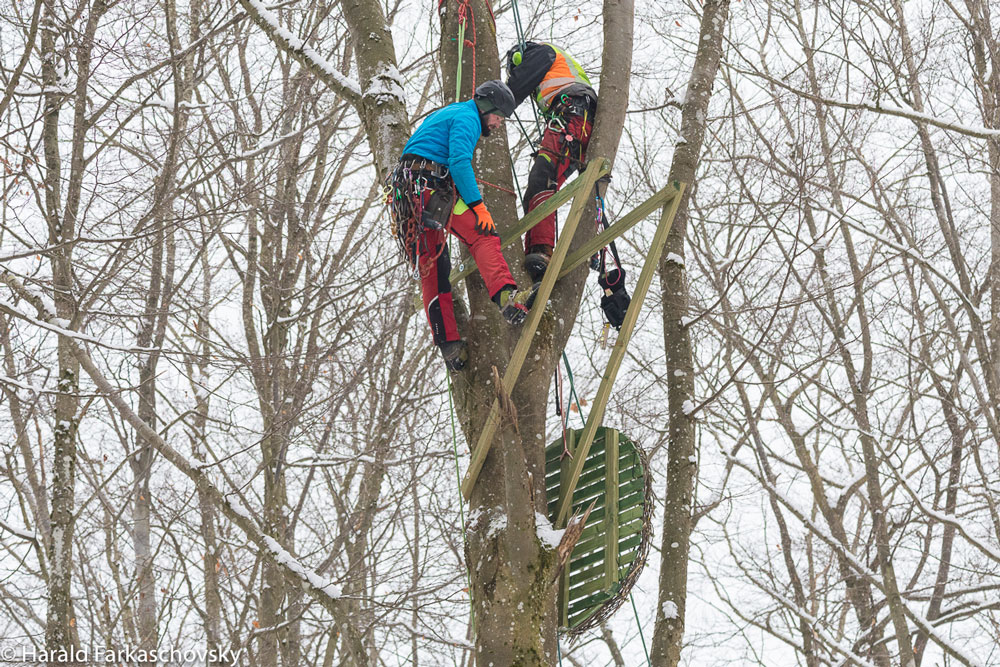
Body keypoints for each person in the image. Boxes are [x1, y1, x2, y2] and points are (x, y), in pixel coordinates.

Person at [387, 80, 537, 372]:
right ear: (487, 107)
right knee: (483, 234)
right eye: (498, 116)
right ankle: (507, 297)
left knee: (434, 268)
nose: (498, 123)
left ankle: (448, 345)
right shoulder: (467, 118)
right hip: (427, 189)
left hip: (410, 193)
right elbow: (458, 161)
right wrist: (477, 205)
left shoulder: (451, 113)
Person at [505, 42, 598, 281]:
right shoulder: (556, 69)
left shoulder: (541, 52)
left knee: (542, 177)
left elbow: (515, 89)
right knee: (538, 187)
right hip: (573, 118)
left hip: (573, 114)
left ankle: (542, 251)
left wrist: (495, 100)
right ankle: (538, 252)